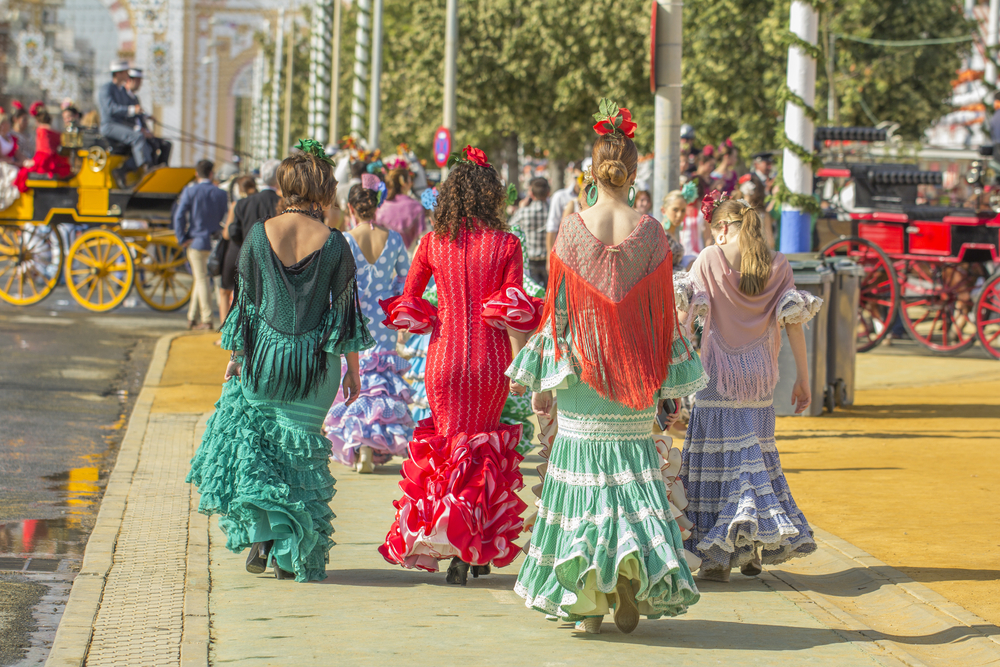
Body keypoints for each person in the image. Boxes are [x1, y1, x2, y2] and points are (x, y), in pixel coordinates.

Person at [508, 100, 705, 635]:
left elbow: (560, 314)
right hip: (636, 379)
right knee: (631, 483)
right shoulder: (653, 232)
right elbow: (664, 316)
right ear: (635, 173)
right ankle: (628, 580)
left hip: (582, 379)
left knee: (584, 490)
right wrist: (668, 386)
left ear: (592, 171)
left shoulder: (570, 231)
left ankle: (586, 603)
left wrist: (544, 386)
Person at [187, 145, 374, 582]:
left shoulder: (257, 234)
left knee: (261, 451)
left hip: (264, 359)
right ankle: (290, 552)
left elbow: (245, 305)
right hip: (315, 367)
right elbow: (345, 310)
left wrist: (235, 359)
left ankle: (263, 536)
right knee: (299, 459)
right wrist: (354, 372)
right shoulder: (335, 243)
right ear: (321, 190)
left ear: (285, 187)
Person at [378, 145, 541, 585]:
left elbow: (410, 298)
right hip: (490, 361)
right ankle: (474, 550)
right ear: (492, 198)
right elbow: (512, 311)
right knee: (484, 453)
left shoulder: (432, 243)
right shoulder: (507, 244)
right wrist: (528, 367)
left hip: (444, 357)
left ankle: (451, 544)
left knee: (451, 451)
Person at [678, 193, 822, 583]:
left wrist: (670, 372)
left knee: (718, 463)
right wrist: (804, 379)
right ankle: (750, 546)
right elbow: (794, 325)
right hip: (760, 377)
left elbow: (684, 316)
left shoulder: (709, 258)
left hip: (717, 376)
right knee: (753, 457)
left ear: (723, 229)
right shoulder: (779, 265)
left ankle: (717, 556)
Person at [325, 176, 414, 472]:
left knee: (355, 374)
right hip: (385, 317)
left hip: (355, 317)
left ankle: (359, 442)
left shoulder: (346, 239)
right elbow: (406, 277)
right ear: (376, 207)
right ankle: (373, 444)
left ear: (351, 208)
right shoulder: (395, 239)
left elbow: (336, 284)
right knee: (380, 379)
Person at [221, 160, 281, 317]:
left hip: (248, 259)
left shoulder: (244, 203)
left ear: (261, 176)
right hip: (275, 260)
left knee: (246, 302)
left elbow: (234, 231)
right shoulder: (282, 203)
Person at [173, 160, 228, 330]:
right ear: (211, 174)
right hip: (214, 240)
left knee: (201, 279)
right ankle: (192, 317)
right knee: (203, 279)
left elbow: (179, 216)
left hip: (195, 240)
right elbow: (223, 216)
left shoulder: (190, 191)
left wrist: (182, 238)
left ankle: (206, 319)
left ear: (197, 174)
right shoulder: (220, 193)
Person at [98, 60, 152, 187]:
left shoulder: (121, 90)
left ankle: (125, 169)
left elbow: (129, 110)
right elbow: (110, 109)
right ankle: (145, 170)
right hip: (109, 126)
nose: (128, 75)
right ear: (119, 74)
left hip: (121, 125)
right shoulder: (106, 88)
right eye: (126, 72)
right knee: (137, 137)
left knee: (146, 142)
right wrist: (133, 110)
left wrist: (144, 116)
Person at [218, 175, 258, 325]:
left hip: (236, 251)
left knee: (224, 291)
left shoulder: (237, 204)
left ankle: (225, 332)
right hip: (256, 254)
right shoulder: (263, 202)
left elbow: (228, 233)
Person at [15, 103, 73, 193]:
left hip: (45, 162)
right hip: (56, 161)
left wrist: (32, 162)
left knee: (22, 174)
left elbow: (43, 152)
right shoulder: (55, 131)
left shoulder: (41, 130)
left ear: (37, 120)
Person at [125, 68, 172, 166]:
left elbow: (139, 114)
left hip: (141, 132)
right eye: (138, 81)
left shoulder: (135, 98)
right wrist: (141, 130)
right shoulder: (124, 97)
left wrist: (149, 117)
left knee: (166, 144)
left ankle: (162, 167)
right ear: (130, 80)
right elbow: (125, 119)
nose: (140, 84)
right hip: (132, 133)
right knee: (153, 145)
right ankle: (152, 169)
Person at [508, 176, 549, 287]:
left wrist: (520, 208)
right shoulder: (553, 211)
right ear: (548, 192)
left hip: (530, 260)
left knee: (534, 296)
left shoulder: (524, 212)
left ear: (531, 194)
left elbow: (509, 228)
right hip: (548, 259)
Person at [376, 159, 425, 249]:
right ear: (404, 184)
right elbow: (422, 239)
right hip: (410, 257)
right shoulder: (416, 207)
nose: (411, 183)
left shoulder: (381, 208)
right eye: (410, 180)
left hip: (386, 258)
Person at [544, 166, 583, 256]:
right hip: (567, 253)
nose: (581, 181)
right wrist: (550, 257)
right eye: (578, 177)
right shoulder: (561, 196)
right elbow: (552, 227)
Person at [660, 190, 692, 268]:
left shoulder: (673, 233)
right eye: (675, 210)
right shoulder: (660, 234)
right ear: (663, 210)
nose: (679, 215)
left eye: (683, 210)